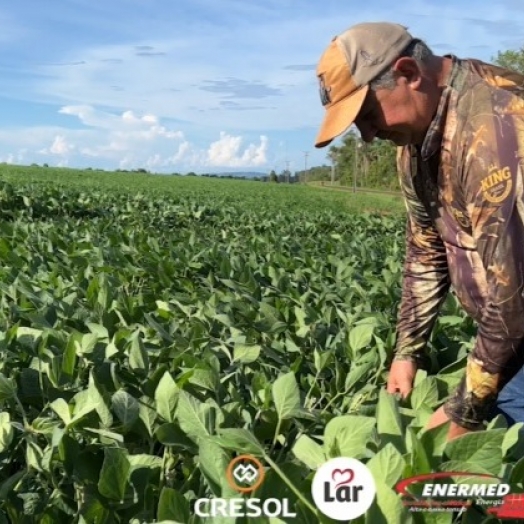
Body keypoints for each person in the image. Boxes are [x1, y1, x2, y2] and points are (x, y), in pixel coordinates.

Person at [313, 21, 524, 441]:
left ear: (409, 74)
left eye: (368, 115)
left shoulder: (495, 131)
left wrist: (464, 412)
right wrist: (406, 353)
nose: (369, 135)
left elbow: (516, 296)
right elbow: (427, 251)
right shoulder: (417, 140)